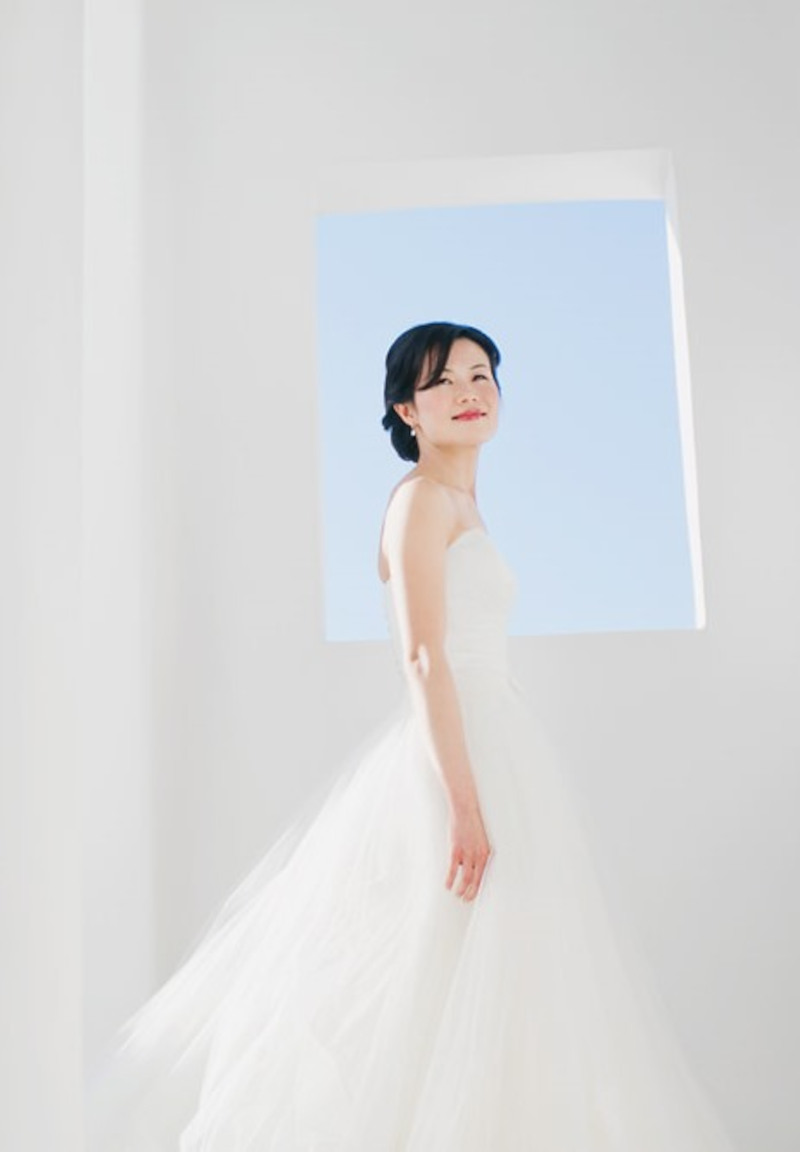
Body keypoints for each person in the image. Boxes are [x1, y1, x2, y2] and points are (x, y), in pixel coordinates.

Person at [88, 321, 741, 1151]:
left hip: (496, 740)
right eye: (443, 382)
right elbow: (425, 656)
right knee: (432, 970)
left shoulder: (463, 505)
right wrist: (463, 804)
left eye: (481, 375)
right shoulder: (419, 501)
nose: (469, 392)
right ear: (407, 409)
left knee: (504, 977)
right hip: (458, 755)